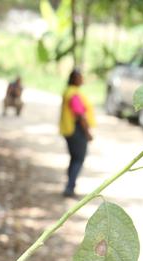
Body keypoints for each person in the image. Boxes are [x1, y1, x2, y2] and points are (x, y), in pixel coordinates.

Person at [59, 69, 95, 198]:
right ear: (74, 79)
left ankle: (70, 184)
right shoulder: (73, 94)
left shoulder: (68, 91)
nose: (82, 79)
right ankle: (70, 186)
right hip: (76, 130)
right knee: (79, 158)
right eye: (80, 77)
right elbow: (80, 115)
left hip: (69, 130)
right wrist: (87, 132)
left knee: (74, 158)